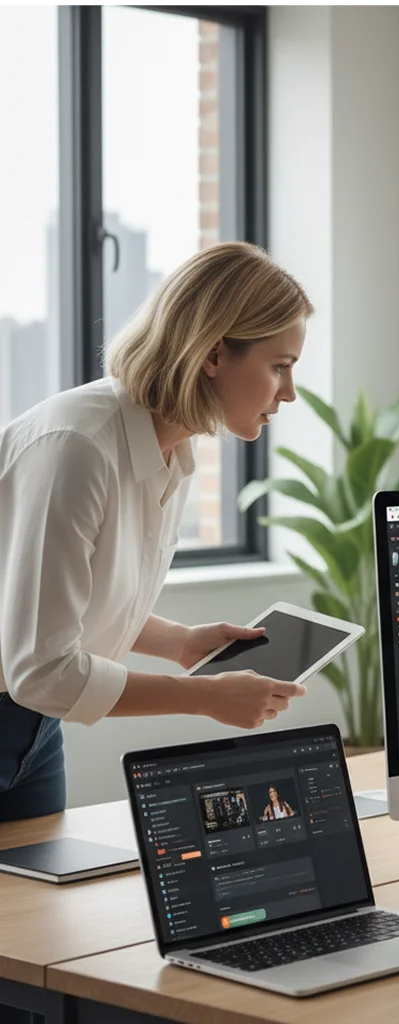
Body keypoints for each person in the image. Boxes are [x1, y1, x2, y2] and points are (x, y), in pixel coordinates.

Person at [0, 242, 314, 825]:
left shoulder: (172, 450)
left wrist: (180, 642)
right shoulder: (77, 447)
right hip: (19, 704)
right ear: (215, 355)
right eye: (280, 366)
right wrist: (205, 698)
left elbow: (65, 601)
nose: (288, 393)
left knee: (39, 911)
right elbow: (41, 670)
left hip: (34, 729)